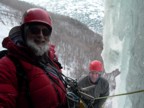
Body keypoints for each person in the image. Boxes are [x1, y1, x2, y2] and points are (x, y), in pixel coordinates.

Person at [0, 8, 67, 108]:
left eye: (45, 32)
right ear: (24, 32)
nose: (41, 35)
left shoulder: (51, 60)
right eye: (34, 30)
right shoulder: (7, 66)